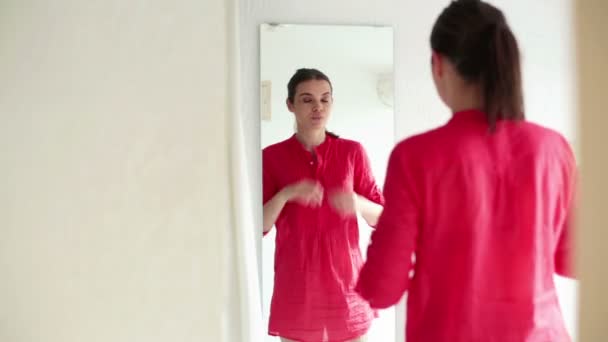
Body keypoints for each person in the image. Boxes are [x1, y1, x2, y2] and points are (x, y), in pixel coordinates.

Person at [355, 1, 577, 341]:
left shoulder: (415, 157)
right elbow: (572, 260)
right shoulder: (554, 149)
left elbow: (382, 288)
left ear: (439, 64)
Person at [263, 68, 384, 342]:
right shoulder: (271, 157)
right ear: (290, 105)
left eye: (325, 99)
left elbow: (382, 217)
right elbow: (258, 224)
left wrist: (356, 202)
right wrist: (285, 194)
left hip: (348, 286)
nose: (318, 107)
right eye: (307, 99)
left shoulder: (352, 152)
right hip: (297, 286)